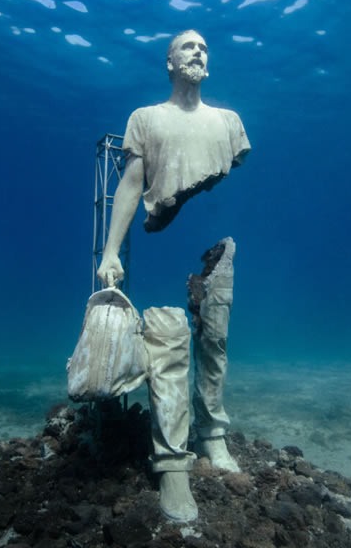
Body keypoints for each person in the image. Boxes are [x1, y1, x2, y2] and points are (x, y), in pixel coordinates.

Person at [96, 30, 251, 522]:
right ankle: (171, 459)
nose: (198, 52)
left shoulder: (229, 123)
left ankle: (214, 437)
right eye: (187, 46)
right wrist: (111, 250)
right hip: (160, 233)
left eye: (204, 47)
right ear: (169, 62)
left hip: (214, 244)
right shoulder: (146, 118)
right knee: (164, 341)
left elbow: (237, 165)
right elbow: (130, 185)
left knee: (216, 341)